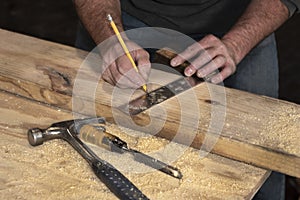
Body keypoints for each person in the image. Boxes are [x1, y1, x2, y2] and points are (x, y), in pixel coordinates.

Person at [73, 0, 299, 199]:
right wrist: (110, 40)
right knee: (92, 162)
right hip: (124, 19)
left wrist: (237, 43)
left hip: (244, 21)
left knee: (264, 155)